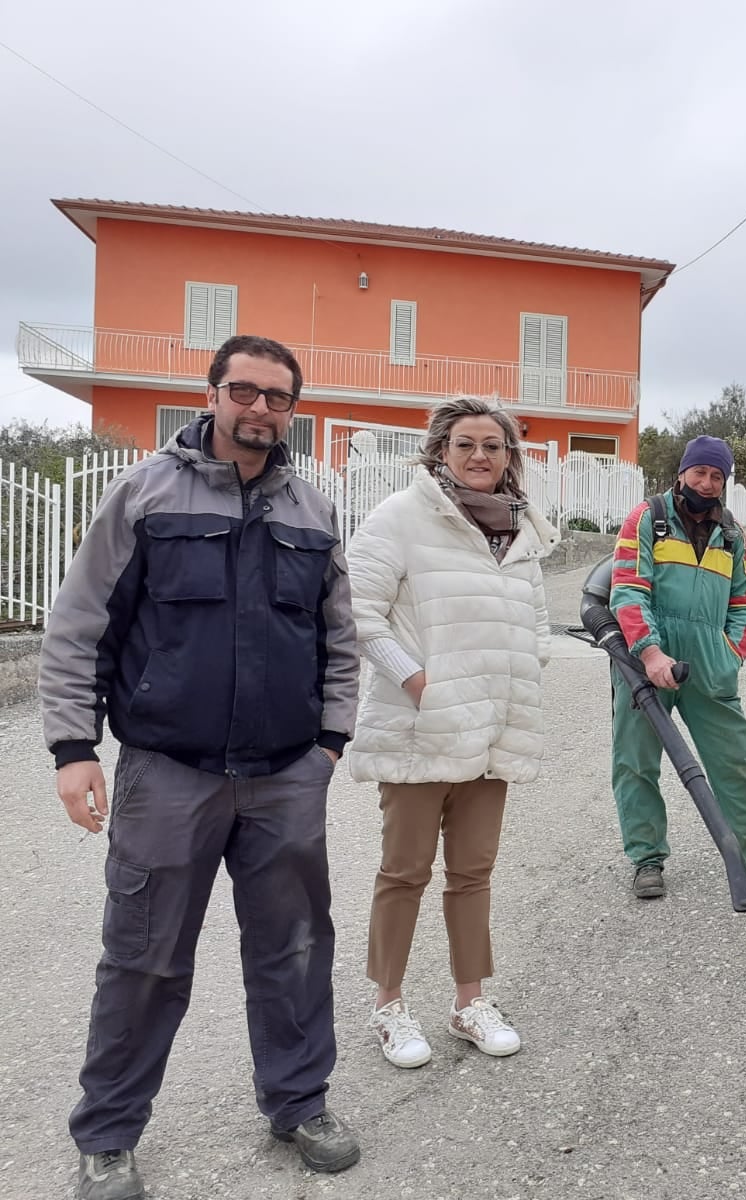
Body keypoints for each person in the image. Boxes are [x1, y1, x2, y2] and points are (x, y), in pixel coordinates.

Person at [39, 335, 362, 1200]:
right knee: (142, 958)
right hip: (167, 773)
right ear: (213, 394)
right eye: (245, 391)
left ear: (294, 408)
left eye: (278, 397)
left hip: (286, 775)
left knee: (294, 949)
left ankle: (298, 1102)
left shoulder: (314, 511)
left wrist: (331, 743)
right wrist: (74, 749)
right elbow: (79, 628)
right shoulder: (143, 494)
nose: (261, 409)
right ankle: (107, 1135)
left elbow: (340, 641)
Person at [345, 396, 559, 1069]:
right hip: (420, 730)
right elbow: (357, 612)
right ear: (441, 450)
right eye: (465, 443)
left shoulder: (523, 530)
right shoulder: (402, 517)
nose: (479, 456)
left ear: (509, 457)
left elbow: (536, 620)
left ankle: (470, 1001)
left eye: (493, 445)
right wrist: (419, 684)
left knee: (473, 873)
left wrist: (525, 666)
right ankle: (389, 1006)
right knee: (404, 872)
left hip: (492, 731)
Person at [608, 435, 746, 899]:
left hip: (709, 664)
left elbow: (743, 603)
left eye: (718, 476)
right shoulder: (647, 519)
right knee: (636, 761)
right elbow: (628, 589)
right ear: (682, 473)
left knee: (736, 761)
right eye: (700, 473)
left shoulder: (732, 534)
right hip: (645, 660)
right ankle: (647, 859)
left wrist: (731, 654)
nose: (708, 483)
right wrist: (650, 652)